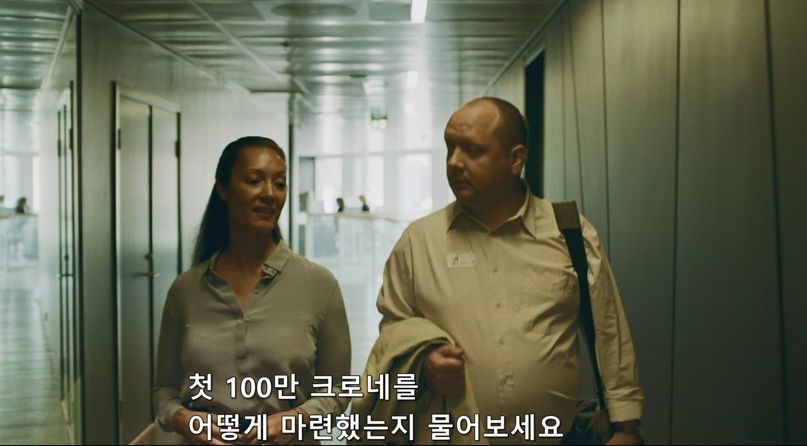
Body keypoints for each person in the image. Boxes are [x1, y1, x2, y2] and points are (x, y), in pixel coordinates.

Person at [370, 97, 644, 444]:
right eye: (450, 148)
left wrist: (624, 428)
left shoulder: (569, 233)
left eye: (472, 150)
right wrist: (422, 362)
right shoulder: (418, 242)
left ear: (516, 159)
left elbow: (608, 332)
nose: (454, 162)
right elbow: (393, 332)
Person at [153, 136, 352, 445]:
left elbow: (338, 390)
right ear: (223, 189)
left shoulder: (319, 285)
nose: (269, 194)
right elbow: (164, 389)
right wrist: (182, 418)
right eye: (254, 180)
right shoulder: (186, 290)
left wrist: (297, 418)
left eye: (279, 184)